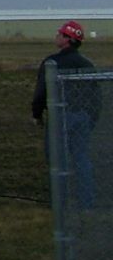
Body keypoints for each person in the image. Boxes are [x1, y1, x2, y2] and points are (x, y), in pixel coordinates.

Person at [33, 20, 99, 209]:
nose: (57, 36)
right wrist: (91, 118)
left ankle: (59, 202)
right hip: (83, 118)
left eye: (60, 34)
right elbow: (95, 96)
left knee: (56, 160)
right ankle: (86, 201)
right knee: (81, 159)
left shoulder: (52, 63)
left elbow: (41, 92)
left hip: (59, 118)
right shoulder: (87, 64)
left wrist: (36, 114)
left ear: (68, 39)